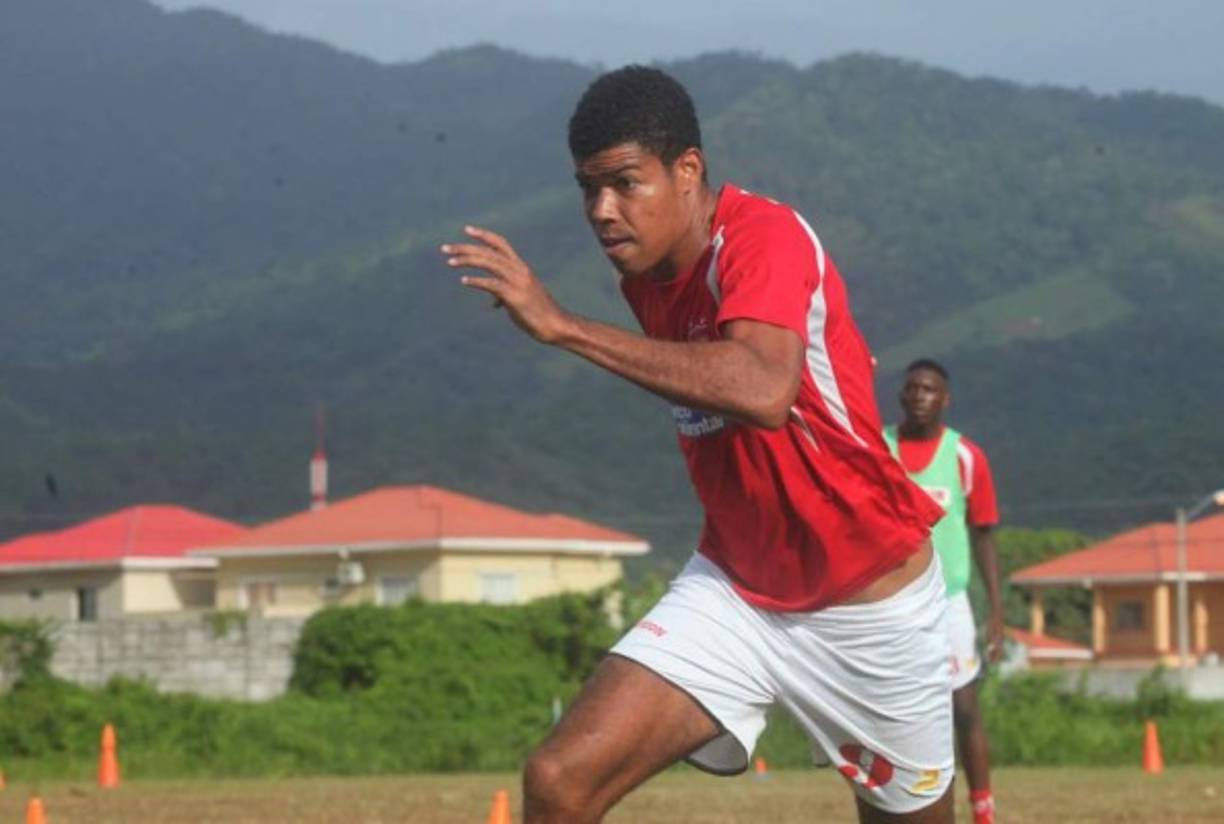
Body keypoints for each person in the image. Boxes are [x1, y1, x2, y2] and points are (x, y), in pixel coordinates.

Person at [442, 66, 953, 823]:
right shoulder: (646, 278)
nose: (602, 211)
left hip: (870, 602)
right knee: (559, 780)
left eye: (624, 183)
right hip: (738, 590)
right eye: (589, 188)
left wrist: (563, 326)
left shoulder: (765, 237)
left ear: (688, 171)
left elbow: (760, 390)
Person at [884, 359, 1003, 824]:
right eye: (911, 387)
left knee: (963, 706)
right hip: (890, 600)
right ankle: (901, 802)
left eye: (929, 389)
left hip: (949, 599)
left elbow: (985, 534)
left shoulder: (964, 456)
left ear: (945, 399)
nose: (919, 395)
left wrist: (995, 610)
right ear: (901, 396)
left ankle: (982, 806)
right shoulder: (879, 448)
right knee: (896, 711)